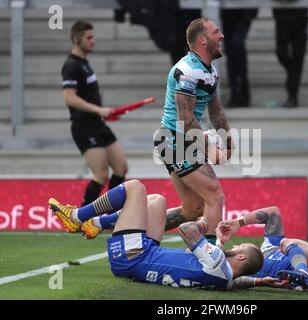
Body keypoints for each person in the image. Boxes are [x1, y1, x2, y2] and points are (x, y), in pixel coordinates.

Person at [48, 180, 264, 289]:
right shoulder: (225, 279)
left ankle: (77, 216)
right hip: (145, 255)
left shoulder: (218, 263)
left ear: (242, 257)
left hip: (133, 258)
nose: (235, 245)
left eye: (240, 246)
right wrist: (261, 281)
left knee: (135, 188)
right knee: (158, 201)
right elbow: (237, 280)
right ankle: (95, 223)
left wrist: (204, 223)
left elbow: (186, 230)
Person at [154, 18, 234, 245]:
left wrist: (228, 141)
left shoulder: (209, 71)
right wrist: (210, 147)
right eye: (216, 32)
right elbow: (186, 118)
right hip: (175, 140)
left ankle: (132, 227)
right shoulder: (188, 71)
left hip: (180, 140)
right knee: (215, 196)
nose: (221, 36)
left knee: (192, 209)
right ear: (202, 39)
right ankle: (208, 261)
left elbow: (215, 110)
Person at [61, 21, 128, 206]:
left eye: (93, 37)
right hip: (84, 126)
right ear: (76, 39)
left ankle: (109, 213)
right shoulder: (71, 66)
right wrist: (99, 110)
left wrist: (103, 114)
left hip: (97, 123)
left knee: (121, 167)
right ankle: (81, 218)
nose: (93, 41)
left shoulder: (84, 64)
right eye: (89, 38)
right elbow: (70, 98)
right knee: (101, 175)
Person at [221, 9, 258, 108]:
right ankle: (235, 91)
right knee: (230, 50)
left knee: (237, 44)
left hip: (244, 11)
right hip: (227, 12)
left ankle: (242, 86)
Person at [273, 7, 308, 108]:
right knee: (281, 53)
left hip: (300, 16)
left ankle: (293, 95)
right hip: (282, 15)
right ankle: (292, 77)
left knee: (298, 56)